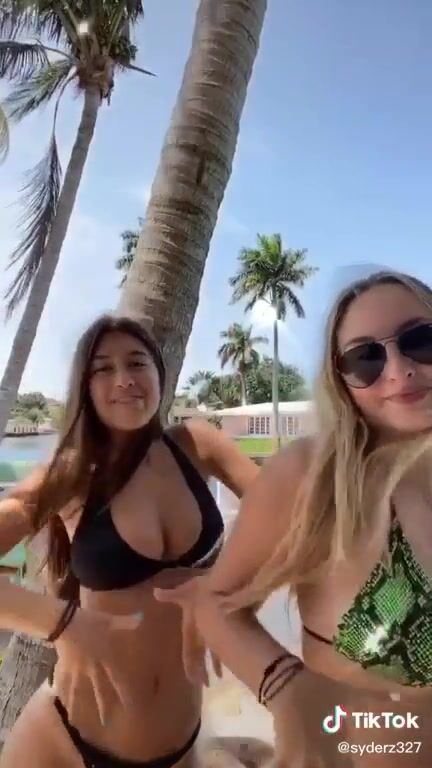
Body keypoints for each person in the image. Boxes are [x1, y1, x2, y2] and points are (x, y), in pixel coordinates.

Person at [156, 270, 432, 767]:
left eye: (420, 340)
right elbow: (218, 602)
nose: (398, 369)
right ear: (341, 381)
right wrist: (288, 689)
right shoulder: (313, 475)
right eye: (365, 358)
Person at [0, 314, 260, 768]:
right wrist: (62, 624)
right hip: (65, 743)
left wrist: (233, 588)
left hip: (180, 747)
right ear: (85, 387)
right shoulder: (72, 474)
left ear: (160, 373)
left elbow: (295, 517)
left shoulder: (197, 446)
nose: (124, 379)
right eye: (103, 368)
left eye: (137, 362)